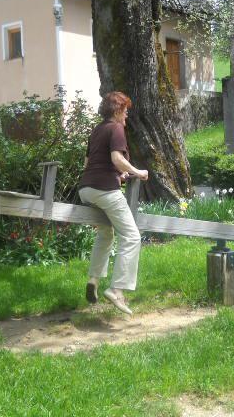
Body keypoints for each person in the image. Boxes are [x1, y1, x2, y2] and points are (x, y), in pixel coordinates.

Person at [78, 91, 149, 315]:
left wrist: (120, 174)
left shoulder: (96, 130)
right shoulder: (116, 128)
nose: (127, 115)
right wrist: (138, 172)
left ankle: (93, 280)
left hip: (86, 189)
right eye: (125, 111)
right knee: (132, 236)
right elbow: (116, 158)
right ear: (117, 111)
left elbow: (88, 163)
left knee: (106, 233)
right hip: (105, 190)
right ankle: (117, 290)